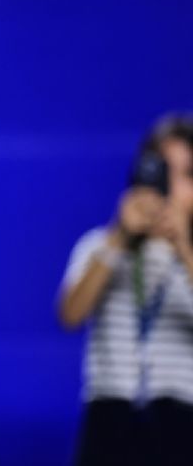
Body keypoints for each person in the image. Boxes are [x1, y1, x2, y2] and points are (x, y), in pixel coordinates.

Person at [58, 115, 193, 466]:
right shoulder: (99, 244)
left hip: (180, 421)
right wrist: (120, 235)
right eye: (164, 170)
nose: (173, 187)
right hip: (108, 418)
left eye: (187, 174)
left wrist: (183, 246)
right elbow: (70, 313)